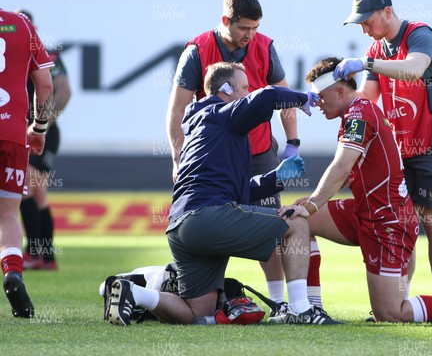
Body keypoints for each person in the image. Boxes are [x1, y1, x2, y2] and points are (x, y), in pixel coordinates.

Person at [276, 57, 432, 323]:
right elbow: (345, 173)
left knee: (389, 314)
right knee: (297, 219)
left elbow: (341, 167)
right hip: (370, 212)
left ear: (340, 91)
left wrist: (312, 204)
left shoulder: (358, 113)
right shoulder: (355, 111)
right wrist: (307, 205)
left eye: (320, 96)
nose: (315, 103)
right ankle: (307, 309)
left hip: (388, 221)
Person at [107, 62, 341, 325]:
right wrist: (300, 99)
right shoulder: (222, 115)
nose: (247, 92)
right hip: (208, 217)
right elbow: (268, 95)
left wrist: (276, 178)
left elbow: (234, 191)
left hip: (180, 227)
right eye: (244, 87)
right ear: (226, 89)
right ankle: (300, 309)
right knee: (296, 223)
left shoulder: (203, 127)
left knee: (198, 314)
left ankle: (135, 293)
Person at [166, 0, 317, 308]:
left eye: (255, 28)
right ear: (225, 21)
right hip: (218, 152)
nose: (250, 35)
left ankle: (278, 301)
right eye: (243, 28)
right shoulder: (198, 49)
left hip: (258, 151)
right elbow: (177, 107)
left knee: (272, 222)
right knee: (282, 223)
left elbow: (280, 94)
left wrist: (292, 143)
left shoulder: (265, 46)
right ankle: (296, 307)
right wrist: (178, 157)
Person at [333, 0, 432, 321]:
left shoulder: (420, 35)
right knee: (408, 225)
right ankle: (398, 301)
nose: (362, 27)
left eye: (366, 20)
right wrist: (329, 101)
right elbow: (366, 100)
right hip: (400, 147)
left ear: (387, 12)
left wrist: (365, 62)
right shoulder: (376, 48)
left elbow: (413, 70)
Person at [0, 8, 54, 317]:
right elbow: (44, 84)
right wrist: (39, 128)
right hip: (11, 133)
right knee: (7, 213)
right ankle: (13, 273)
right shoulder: (21, 23)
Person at [14, 9, 72, 271]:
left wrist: (43, 124)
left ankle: (35, 252)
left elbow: (64, 91)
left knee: (25, 185)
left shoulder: (44, 54)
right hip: (30, 130)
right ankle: (46, 256)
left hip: (40, 132)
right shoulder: (18, 52)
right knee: (39, 195)